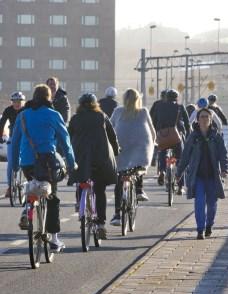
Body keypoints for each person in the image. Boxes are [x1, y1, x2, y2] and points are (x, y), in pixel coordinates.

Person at [11, 84, 76, 251]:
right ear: (49, 98)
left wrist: (14, 165)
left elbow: (15, 143)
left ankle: (28, 208)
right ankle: (54, 239)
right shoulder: (54, 115)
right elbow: (65, 141)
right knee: (52, 197)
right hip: (47, 162)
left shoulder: (22, 115)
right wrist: (71, 163)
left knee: (33, 185)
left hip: (27, 162)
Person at [68, 93, 119, 239]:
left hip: (81, 158)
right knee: (99, 189)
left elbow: (68, 137)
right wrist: (115, 151)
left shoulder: (75, 119)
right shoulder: (102, 116)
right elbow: (112, 136)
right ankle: (101, 224)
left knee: (81, 179)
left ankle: (80, 204)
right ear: (95, 104)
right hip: (100, 158)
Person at [176, 108, 228, 240]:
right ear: (197, 120)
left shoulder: (216, 137)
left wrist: (224, 169)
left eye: (207, 117)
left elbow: (223, 154)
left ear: (211, 120)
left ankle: (209, 224)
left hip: (212, 176)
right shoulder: (193, 137)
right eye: (202, 117)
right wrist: (179, 172)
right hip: (197, 176)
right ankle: (200, 229)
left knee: (211, 204)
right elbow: (185, 156)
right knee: (199, 202)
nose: (204, 119)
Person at [110, 88, 155, 226]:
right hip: (140, 147)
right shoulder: (143, 112)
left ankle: (117, 214)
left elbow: (110, 128)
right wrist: (153, 143)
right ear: (138, 99)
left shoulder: (118, 111)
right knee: (139, 164)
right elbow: (152, 131)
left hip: (121, 148)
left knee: (119, 179)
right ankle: (139, 189)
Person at [152, 89, 190, 195]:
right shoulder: (180, 107)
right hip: (176, 137)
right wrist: (187, 136)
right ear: (177, 98)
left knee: (162, 152)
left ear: (166, 97)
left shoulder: (159, 107)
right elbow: (187, 124)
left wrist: (155, 134)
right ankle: (180, 186)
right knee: (180, 159)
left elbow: (154, 121)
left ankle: (163, 170)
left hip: (163, 136)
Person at [0, 91, 26, 197]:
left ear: (23, 102)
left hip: (25, 139)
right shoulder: (8, 110)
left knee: (27, 161)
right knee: (10, 163)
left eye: (19, 101)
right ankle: (10, 187)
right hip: (13, 138)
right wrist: (0, 136)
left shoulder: (26, 110)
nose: (17, 103)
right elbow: (1, 124)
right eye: (15, 101)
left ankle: (27, 184)